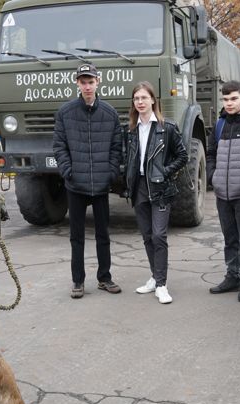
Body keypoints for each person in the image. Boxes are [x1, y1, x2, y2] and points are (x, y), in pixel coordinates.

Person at [53, 63, 123, 299]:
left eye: (90, 81)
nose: (87, 86)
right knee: (77, 237)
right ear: (77, 84)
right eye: (83, 82)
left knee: (103, 234)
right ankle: (78, 281)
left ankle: (105, 278)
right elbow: (59, 146)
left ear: (98, 82)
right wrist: (67, 170)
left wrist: (111, 172)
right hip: (76, 185)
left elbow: (116, 147)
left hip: (101, 185)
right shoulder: (65, 112)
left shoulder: (110, 113)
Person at [124, 81, 187, 304]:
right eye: (136, 99)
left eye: (144, 98)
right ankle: (154, 276)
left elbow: (183, 156)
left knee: (159, 235)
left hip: (160, 187)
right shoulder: (130, 130)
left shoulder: (166, 127)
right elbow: (128, 159)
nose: (140, 102)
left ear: (153, 100)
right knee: (147, 236)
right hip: (138, 187)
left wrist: (163, 172)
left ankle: (161, 285)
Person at [206, 81, 240, 302]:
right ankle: (232, 276)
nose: (229, 103)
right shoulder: (219, 125)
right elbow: (210, 153)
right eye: (226, 99)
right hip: (223, 194)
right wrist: (213, 177)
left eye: (233, 99)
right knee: (230, 239)